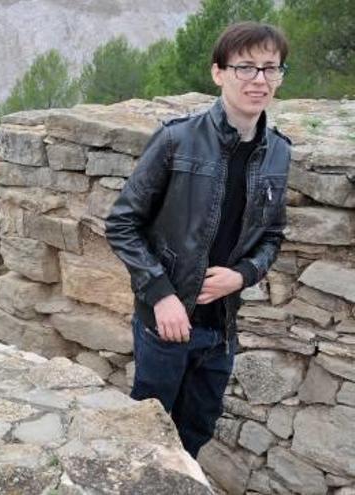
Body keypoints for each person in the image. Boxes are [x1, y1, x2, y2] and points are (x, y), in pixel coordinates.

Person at [104, 22, 291, 459]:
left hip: (220, 328)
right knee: (147, 434)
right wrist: (161, 294)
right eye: (245, 67)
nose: (259, 80)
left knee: (197, 430)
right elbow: (122, 224)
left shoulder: (279, 152)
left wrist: (242, 276)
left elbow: (273, 236)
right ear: (218, 73)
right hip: (165, 322)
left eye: (270, 68)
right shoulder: (176, 139)